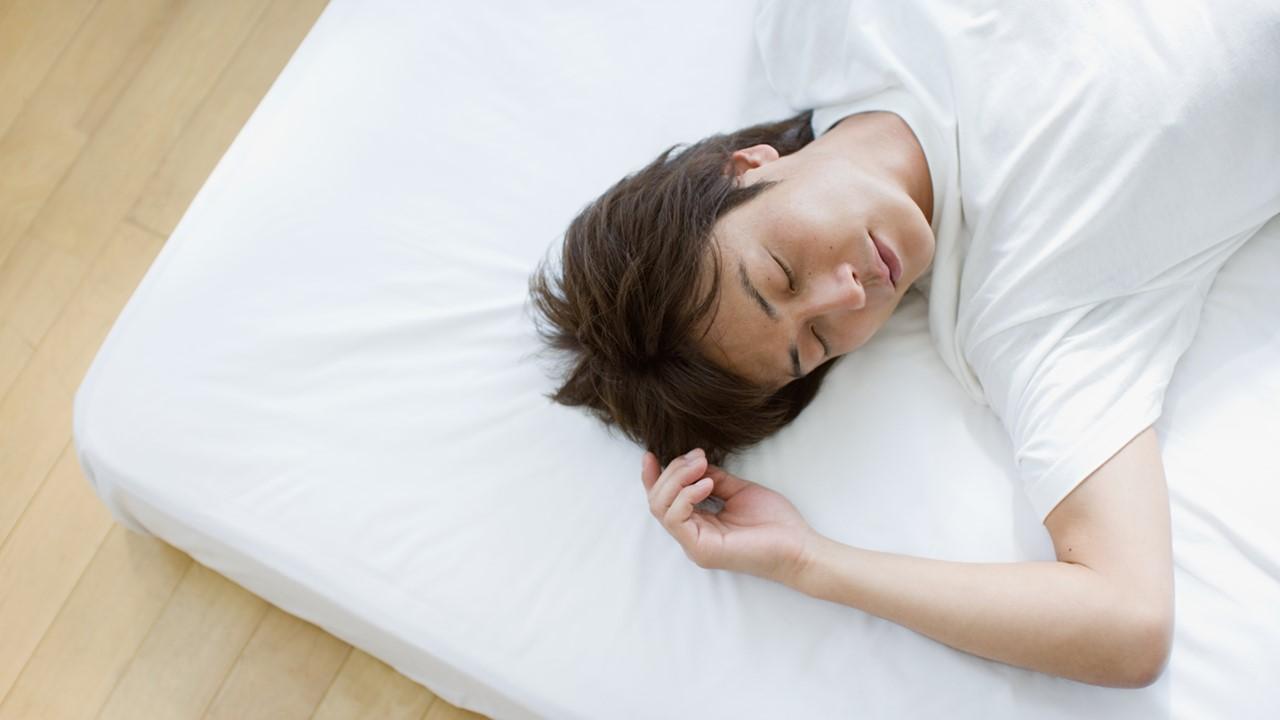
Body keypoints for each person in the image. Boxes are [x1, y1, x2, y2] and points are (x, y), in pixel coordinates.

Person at [528, 0, 1280, 688]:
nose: (847, 296)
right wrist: (811, 562)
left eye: (782, 275)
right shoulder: (1021, 313)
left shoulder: (821, 27)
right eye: (819, 340)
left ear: (749, 167)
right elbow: (1127, 622)